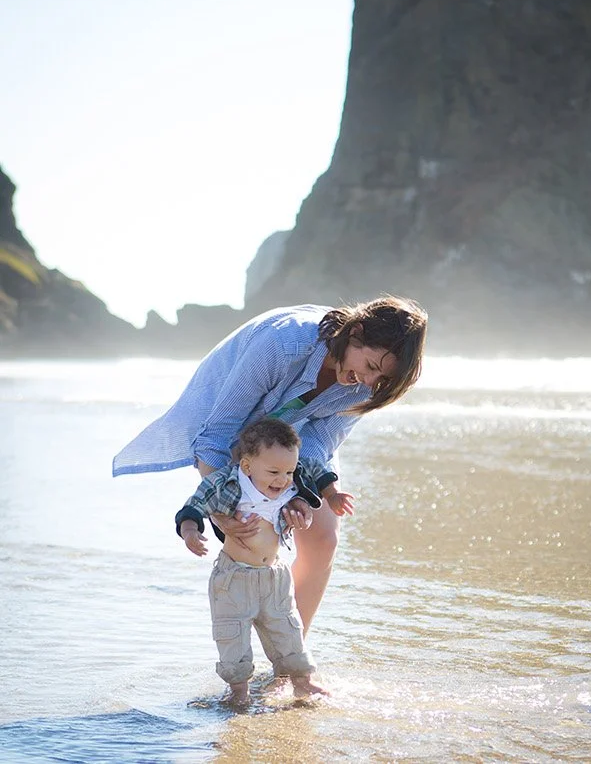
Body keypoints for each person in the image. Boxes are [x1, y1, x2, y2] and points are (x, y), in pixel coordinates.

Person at [114, 295, 428, 634]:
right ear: (356, 332)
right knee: (254, 539)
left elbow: (318, 444)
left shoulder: (366, 386)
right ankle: (238, 649)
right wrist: (223, 513)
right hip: (226, 420)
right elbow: (216, 435)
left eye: (380, 377)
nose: (367, 382)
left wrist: (301, 496)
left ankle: (291, 652)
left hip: (291, 436)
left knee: (323, 537)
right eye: (369, 366)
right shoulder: (284, 344)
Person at [178, 418, 330, 705]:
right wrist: (190, 531)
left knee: (288, 630)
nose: (282, 479)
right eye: (273, 471)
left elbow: (317, 474)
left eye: (288, 471)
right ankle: (238, 691)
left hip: (274, 577)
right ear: (247, 466)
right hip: (234, 578)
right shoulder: (227, 484)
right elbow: (194, 505)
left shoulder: (290, 485)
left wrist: (321, 501)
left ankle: (302, 681)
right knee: (232, 636)